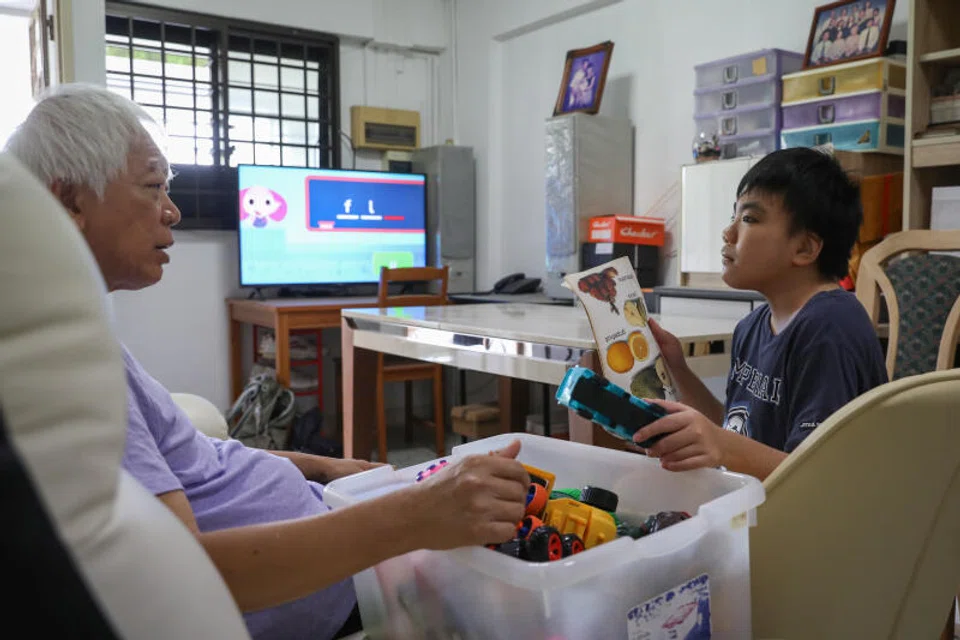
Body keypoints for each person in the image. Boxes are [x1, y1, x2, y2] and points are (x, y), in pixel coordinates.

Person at [4, 84, 530, 640]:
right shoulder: (62, 377)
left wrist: (319, 466)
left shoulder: (75, 345)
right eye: (154, 187)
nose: (173, 211)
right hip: (344, 580)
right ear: (70, 200)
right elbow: (187, 575)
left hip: (341, 525)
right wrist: (414, 516)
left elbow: (194, 458)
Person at [632, 148, 887, 481]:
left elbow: (818, 477)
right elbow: (737, 432)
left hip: (813, 512)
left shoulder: (830, 327)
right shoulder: (751, 327)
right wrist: (677, 369)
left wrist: (722, 446)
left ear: (805, 248)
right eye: (734, 216)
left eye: (749, 219)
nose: (728, 232)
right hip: (759, 502)